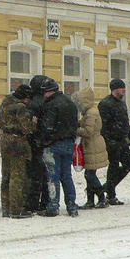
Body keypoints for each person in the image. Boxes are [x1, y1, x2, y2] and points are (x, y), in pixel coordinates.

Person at [39, 77, 80, 217]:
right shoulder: (70, 102)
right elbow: (75, 124)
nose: (43, 96)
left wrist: (44, 140)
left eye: (44, 93)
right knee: (66, 176)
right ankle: (71, 205)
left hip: (54, 144)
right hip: (68, 143)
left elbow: (47, 127)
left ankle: (53, 206)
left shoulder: (51, 104)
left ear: (49, 92)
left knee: (53, 176)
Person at [0, 83, 36, 218]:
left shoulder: (4, 104)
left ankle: (6, 208)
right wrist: (34, 122)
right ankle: (16, 209)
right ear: (25, 97)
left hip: (5, 140)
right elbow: (27, 129)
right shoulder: (21, 108)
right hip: (18, 143)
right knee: (17, 177)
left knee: (6, 176)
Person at [99, 79, 130, 205]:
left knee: (128, 165)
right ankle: (111, 194)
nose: (124, 90)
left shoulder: (122, 103)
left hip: (122, 140)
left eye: (124, 87)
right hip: (112, 141)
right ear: (114, 89)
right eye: (121, 88)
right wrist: (108, 140)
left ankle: (107, 187)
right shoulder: (105, 104)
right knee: (113, 166)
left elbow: (125, 121)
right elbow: (103, 125)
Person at [76, 87, 109, 209]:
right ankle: (91, 200)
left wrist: (75, 130)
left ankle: (101, 197)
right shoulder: (90, 111)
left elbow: (88, 131)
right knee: (89, 173)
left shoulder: (91, 112)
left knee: (90, 174)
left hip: (92, 145)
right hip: (92, 144)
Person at [24, 75, 49, 214]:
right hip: (44, 141)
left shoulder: (32, 103)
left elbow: (30, 125)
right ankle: (45, 201)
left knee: (34, 174)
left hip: (34, 142)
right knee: (45, 174)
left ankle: (33, 202)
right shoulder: (47, 101)